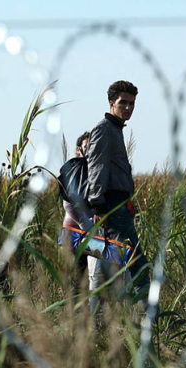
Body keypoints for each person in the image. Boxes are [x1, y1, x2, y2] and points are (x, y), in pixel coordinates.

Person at [86, 80, 153, 311]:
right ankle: (152, 317)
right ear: (111, 103)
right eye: (123, 102)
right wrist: (99, 207)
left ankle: (94, 322)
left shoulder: (115, 129)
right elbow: (96, 169)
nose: (128, 107)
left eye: (132, 103)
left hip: (119, 206)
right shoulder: (104, 129)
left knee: (107, 270)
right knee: (137, 263)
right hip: (111, 208)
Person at [61, 131, 106, 315]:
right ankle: (77, 318)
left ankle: (94, 316)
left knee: (96, 275)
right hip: (74, 234)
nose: (89, 151)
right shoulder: (73, 169)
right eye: (87, 147)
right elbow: (69, 204)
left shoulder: (95, 169)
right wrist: (88, 227)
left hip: (92, 232)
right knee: (80, 277)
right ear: (78, 149)